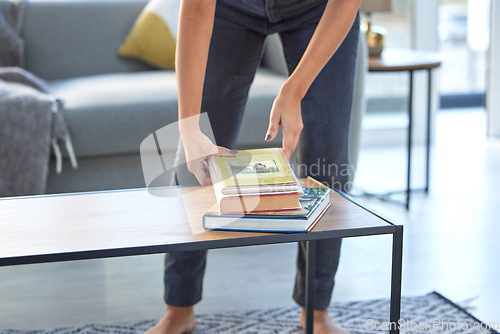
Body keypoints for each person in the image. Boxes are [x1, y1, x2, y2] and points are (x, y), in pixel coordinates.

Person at [147, 0, 360, 333]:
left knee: (328, 161)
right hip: (231, 7)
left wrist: (295, 88)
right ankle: (179, 307)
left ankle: (315, 310)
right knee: (197, 160)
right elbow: (198, 7)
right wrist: (189, 129)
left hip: (317, 8)